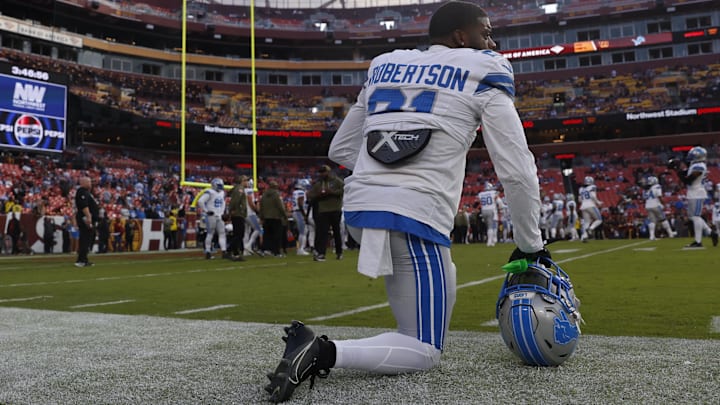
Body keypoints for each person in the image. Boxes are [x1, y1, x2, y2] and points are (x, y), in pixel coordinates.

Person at [263, 2, 548, 402]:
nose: (492, 40)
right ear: (461, 37)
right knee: (424, 351)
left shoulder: (385, 64)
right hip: (414, 215)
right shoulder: (484, 67)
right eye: (485, 32)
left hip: (361, 209)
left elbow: (341, 147)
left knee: (439, 285)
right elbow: (517, 170)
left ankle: (389, 336)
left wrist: (384, 176)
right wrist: (531, 245)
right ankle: (322, 351)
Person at [670, 146, 712, 248]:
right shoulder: (695, 165)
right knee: (692, 217)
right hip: (693, 192)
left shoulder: (700, 166)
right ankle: (711, 233)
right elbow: (685, 175)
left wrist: (677, 170)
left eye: (693, 154)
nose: (690, 156)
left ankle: (698, 241)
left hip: (697, 192)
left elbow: (688, 180)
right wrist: (676, 168)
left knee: (696, 217)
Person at [307, 165, 344, 261]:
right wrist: (318, 195)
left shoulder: (337, 181)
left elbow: (343, 191)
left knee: (336, 232)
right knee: (322, 232)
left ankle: (339, 252)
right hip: (323, 210)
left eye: (324, 172)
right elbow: (310, 194)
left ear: (329, 172)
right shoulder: (318, 183)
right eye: (321, 172)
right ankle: (321, 253)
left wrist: (331, 192)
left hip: (335, 209)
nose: (323, 174)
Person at [197, 178, 233, 260]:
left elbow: (223, 203)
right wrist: (206, 211)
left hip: (219, 215)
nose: (220, 187)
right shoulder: (209, 192)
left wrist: (223, 212)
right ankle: (208, 252)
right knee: (210, 233)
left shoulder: (222, 193)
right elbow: (200, 201)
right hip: (211, 216)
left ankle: (224, 251)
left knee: (222, 233)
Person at [74, 176, 99, 267]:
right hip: (85, 219)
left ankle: (83, 259)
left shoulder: (86, 192)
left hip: (87, 218)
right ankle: (81, 260)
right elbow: (84, 205)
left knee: (87, 239)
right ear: (83, 183)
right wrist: (88, 217)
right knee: (85, 239)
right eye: (89, 182)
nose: (90, 184)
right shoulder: (82, 192)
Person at [643, 176, 676, 241]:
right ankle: (670, 233)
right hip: (655, 204)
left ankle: (652, 236)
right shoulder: (657, 186)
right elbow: (659, 196)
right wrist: (663, 204)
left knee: (652, 221)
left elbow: (644, 197)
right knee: (663, 219)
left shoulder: (646, 188)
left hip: (648, 205)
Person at [258, 180, 286, 257]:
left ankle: (264, 250)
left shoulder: (264, 195)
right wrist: (284, 215)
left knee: (267, 235)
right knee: (277, 235)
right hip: (276, 217)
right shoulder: (276, 194)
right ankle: (276, 252)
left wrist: (261, 217)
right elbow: (280, 206)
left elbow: (261, 206)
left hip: (266, 217)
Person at [228, 175, 247, 260]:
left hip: (237, 213)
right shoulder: (240, 189)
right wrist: (233, 209)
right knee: (239, 234)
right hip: (238, 213)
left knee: (237, 234)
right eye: (245, 180)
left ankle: (235, 252)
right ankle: (230, 250)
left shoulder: (237, 188)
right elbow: (236, 200)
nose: (247, 182)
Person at [578, 176, 603, 242]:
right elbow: (593, 196)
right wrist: (598, 202)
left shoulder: (581, 189)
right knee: (599, 220)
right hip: (591, 205)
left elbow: (579, 200)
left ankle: (584, 237)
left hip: (583, 206)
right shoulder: (592, 187)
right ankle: (591, 229)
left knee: (586, 222)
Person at [291, 179, 311, 255]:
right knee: (302, 232)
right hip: (299, 213)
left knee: (304, 231)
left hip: (295, 212)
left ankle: (301, 248)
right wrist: (304, 215)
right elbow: (300, 203)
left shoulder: (295, 192)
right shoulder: (301, 192)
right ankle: (300, 249)